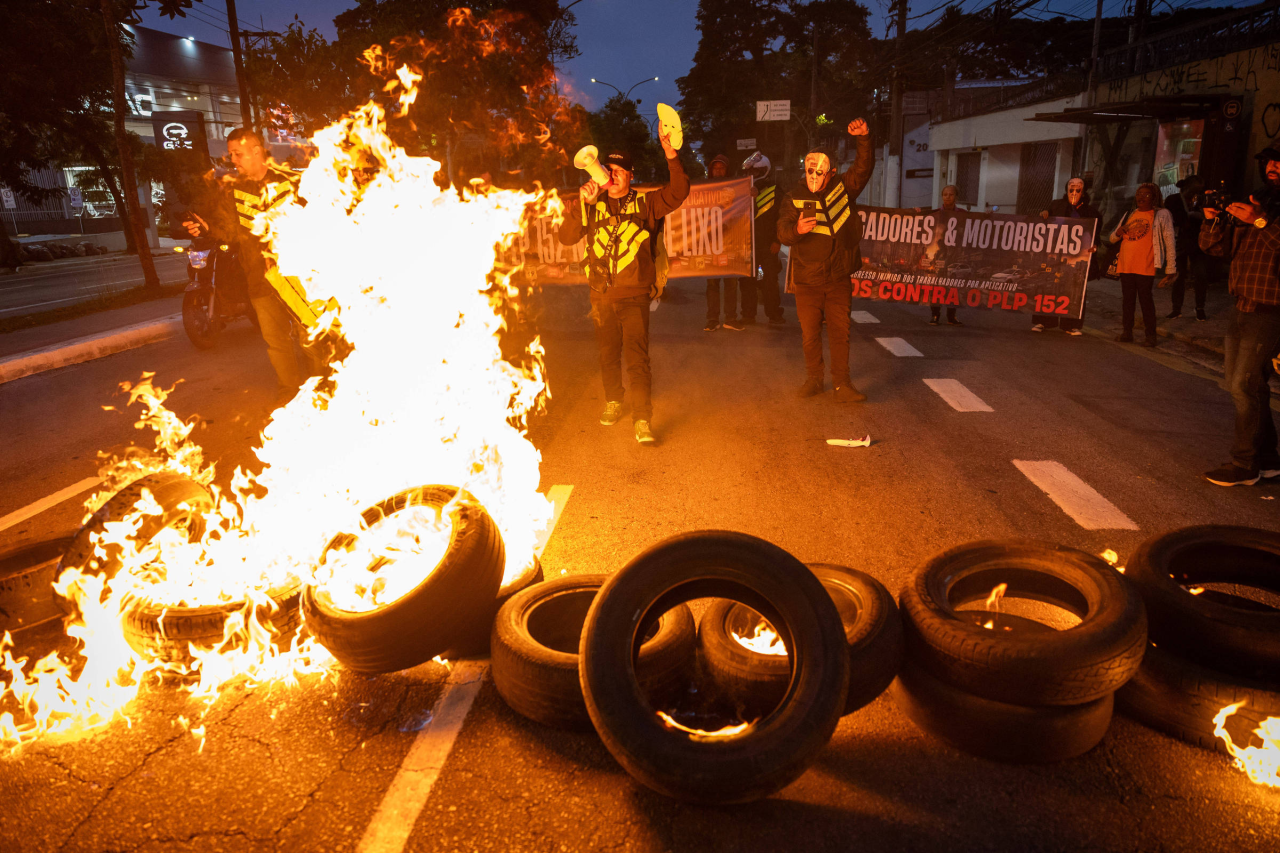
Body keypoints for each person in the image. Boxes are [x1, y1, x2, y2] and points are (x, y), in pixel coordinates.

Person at [558, 130, 689, 445]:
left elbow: (679, 191)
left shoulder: (646, 202)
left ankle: (642, 419)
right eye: (608, 170)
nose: (611, 176)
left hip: (634, 296)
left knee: (637, 357)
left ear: (631, 175)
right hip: (601, 295)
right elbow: (565, 237)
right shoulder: (593, 204)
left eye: (619, 171)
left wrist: (671, 154)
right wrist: (581, 205)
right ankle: (614, 400)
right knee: (607, 353)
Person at [184, 128, 322, 399]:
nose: (232, 159)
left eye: (238, 153)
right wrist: (206, 229)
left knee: (311, 337)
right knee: (276, 341)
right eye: (230, 153)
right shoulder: (235, 191)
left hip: (297, 278)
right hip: (259, 278)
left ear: (257, 151)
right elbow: (229, 232)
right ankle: (290, 392)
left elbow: (320, 223)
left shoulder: (292, 182)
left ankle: (320, 390)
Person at [1198, 138, 1280, 487]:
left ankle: (1244, 464)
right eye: (1269, 162)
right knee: (1252, 386)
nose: (1273, 168)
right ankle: (1268, 460)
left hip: (1270, 309)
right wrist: (1212, 221)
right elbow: (1215, 247)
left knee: (1241, 385)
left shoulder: (1264, 212)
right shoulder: (1259, 201)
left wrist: (1261, 222)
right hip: (1242, 304)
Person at [777, 118, 875, 402]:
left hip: (838, 277)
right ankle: (814, 380)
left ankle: (842, 384)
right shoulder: (794, 196)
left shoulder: (844, 188)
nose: (814, 176)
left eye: (820, 171)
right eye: (809, 170)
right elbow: (782, 231)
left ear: (831, 172)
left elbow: (863, 168)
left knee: (840, 334)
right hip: (807, 279)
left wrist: (864, 137)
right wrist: (796, 230)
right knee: (809, 335)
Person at [1108, 182, 1177, 347]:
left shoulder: (1161, 214)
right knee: (1128, 301)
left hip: (1145, 266)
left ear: (1154, 197)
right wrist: (1118, 233)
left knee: (1146, 302)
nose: (1141, 197)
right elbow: (1112, 238)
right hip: (1126, 265)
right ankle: (1127, 332)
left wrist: (1171, 268)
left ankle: (1150, 336)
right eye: (1139, 194)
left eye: (1146, 194)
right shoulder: (1130, 214)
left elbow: (1169, 241)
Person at [1033, 177, 1101, 336]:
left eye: (1078, 189)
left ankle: (1070, 324)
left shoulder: (1091, 212)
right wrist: (1044, 214)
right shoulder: (1056, 205)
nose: (1075, 192)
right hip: (1055, 254)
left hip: (1077, 257)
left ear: (1084, 192)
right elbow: (1044, 221)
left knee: (1074, 289)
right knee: (1048, 285)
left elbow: (1095, 235)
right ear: (1066, 190)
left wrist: (1094, 246)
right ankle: (1043, 321)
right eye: (1072, 189)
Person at [742, 151, 785, 326]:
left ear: (764, 170)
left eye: (756, 172)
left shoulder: (775, 190)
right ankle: (748, 315)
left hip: (768, 246)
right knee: (747, 282)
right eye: (750, 173)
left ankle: (774, 314)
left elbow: (782, 217)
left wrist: (777, 240)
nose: (752, 176)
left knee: (769, 282)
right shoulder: (742, 190)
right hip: (747, 245)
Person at [704, 154, 742, 331]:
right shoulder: (704, 189)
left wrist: (751, 195)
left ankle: (730, 318)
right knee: (712, 284)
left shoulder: (738, 187)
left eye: (722, 167)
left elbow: (748, 210)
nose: (718, 171)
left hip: (731, 244)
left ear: (727, 169)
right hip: (712, 244)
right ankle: (712, 319)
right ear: (711, 170)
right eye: (715, 168)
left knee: (731, 284)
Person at [1164, 175, 1209, 321]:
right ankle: (1176, 309)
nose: (1195, 193)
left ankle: (1200, 307)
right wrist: (1192, 216)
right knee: (1178, 276)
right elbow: (1174, 220)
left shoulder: (1202, 200)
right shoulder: (1174, 200)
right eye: (1194, 189)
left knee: (1201, 275)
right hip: (1180, 242)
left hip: (1198, 243)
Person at [930, 184, 962, 326]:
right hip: (940, 263)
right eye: (945, 194)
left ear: (956, 197)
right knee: (937, 288)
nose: (948, 197)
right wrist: (916, 212)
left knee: (953, 288)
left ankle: (951, 317)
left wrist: (987, 215)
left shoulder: (962, 214)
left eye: (951, 194)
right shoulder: (935, 214)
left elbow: (977, 221)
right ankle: (935, 315)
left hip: (954, 259)